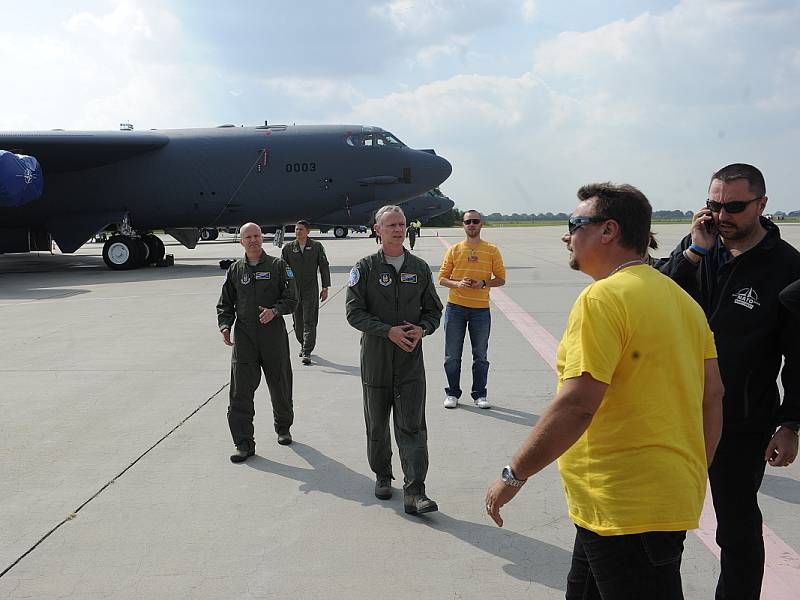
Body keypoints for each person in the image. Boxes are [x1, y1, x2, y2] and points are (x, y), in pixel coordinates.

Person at [485, 182, 724, 599]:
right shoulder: (683, 301)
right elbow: (714, 395)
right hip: (641, 502)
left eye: (575, 224)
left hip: (623, 505)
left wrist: (514, 475)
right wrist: (687, 472)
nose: (566, 235)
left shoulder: (603, 298)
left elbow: (577, 404)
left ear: (608, 230)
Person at [656, 163, 800, 599]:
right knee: (660, 525)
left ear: (761, 204)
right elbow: (654, 298)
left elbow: (798, 354)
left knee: (736, 528)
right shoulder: (697, 249)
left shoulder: (787, 266)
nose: (721, 215)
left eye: (734, 206)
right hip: (675, 412)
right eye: (714, 204)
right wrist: (694, 253)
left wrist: (791, 423)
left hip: (741, 418)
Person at [345, 205, 443, 514]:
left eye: (401, 224)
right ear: (378, 230)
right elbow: (354, 312)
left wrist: (422, 329)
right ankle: (383, 476)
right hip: (376, 358)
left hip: (409, 360)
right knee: (377, 424)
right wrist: (387, 331)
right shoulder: (365, 267)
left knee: (413, 425)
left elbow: (434, 311)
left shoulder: (420, 268)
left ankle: (415, 491)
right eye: (391, 225)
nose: (398, 229)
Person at [217, 222, 298, 463]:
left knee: (280, 384)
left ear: (262, 238)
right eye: (247, 237)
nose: (253, 240)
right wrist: (224, 325)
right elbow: (225, 302)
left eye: (256, 236)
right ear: (241, 241)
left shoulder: (278, 266)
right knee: (240, 391)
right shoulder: (235, 270)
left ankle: (283, 427)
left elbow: (292, 298)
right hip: (245, 339)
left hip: (272, 335)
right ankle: (243, 443)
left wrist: (275, 311)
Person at [438, 209, 506, 409]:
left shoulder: (491, 250)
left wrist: (483, 283)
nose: (472, 225)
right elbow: (442, 278)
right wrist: (458, 284)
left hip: (480, 310)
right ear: (463, 225)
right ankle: (452, 393)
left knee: (481, 355)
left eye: (475, 221)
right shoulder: (454, 250)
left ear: (481, 224)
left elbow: (501, 278)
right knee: (452, 355)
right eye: (468, 222)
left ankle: (479, 394)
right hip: (455, 308)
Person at [281, 220, 331, 365]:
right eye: (296, 229)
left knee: (309, 320)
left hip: (311, 289)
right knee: (298, 322)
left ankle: (307, 350)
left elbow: (324, 266)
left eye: (301, 229)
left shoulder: (316, 247)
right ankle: (303, 344)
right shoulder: (289, 248)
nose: (298, 232)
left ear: (308, 231)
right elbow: (283, 268)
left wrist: (325, 287)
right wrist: (283, 288)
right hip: (294, 290)